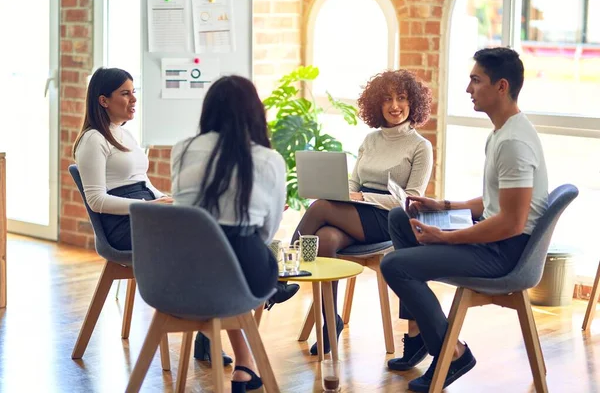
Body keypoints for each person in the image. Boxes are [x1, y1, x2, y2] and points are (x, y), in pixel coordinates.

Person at [380, 47, 549, 392]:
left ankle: (451, 353)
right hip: (496, 240)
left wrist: (445, 238)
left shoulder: (515, 142)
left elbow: (511, 223)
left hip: (505, 252)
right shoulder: (502, 133)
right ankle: (427, 337)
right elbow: (494, 202)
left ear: (501, 86)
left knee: (395, 266)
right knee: (401, 217)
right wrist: (441, 205)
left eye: (475, 80)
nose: (468, 89)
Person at [292, 69, 434, 355]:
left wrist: (362, 197)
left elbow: (412, 201)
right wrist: (343, 193)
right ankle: (330, 320)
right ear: (377, 105)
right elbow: (353, 181)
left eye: (402, 98)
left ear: (413, 102)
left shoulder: (421, 146)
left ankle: (283, 269)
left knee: (320, 207)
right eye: (387, 99)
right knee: (326, 240)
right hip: (355, 211)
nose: (395, 106)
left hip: (388, 218)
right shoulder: (371, 140)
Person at [170, 75, 288, 392]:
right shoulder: (267, 159)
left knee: (219, 263)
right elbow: (268, 228)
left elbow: (184, 207)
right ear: (255, 112)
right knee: (251, 261)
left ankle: (235, 356)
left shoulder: (183, 149)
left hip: (177, 277)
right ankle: (244, 363)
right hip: (240, 273)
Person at [73, 67, 173, 252]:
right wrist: (147, 207)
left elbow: (144, 182)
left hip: (143, 214)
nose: (134, 99)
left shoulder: (126, 134)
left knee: (200, 224)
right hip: (122, 225)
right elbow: (96, 200)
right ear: (103, 101)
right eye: (125, 93)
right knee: (193, 233)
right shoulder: (93, 139)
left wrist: (166, 200)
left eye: (134, 92)